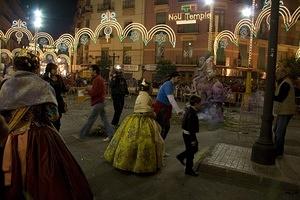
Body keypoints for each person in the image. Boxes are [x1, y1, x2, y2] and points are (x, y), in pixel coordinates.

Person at [0, 49, 93, 199]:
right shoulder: (43, 86)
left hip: (11, 138)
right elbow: (53, 115)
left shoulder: (5, 85)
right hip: (39, 138)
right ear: (35, 67)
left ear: (15, 67)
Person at [104, 79, 164, 173]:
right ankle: (140, 164)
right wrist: (154, 115)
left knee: (129, 140)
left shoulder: (140, 95)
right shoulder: (146, 96)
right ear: (148, 89)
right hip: (143, 120)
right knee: (144, 142)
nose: (152, 89)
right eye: (151, 87)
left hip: (134, 118)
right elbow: (145, 110)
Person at [80, 65, 114, 141]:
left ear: (95, 71)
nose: (90, 72)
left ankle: (82, 134)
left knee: (91, 119)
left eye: (91, 70)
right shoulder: (99, 79)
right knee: (104, 120)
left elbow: (94, 92)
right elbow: (97, 92)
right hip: (100, 102)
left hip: (98, 103)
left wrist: (87, 90)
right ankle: (111, 134)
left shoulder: (97, 80)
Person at [273, 66, 297, 157]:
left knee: (279, 132)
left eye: (278, 73)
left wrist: (270, 96)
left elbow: (280, 98)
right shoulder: (283, 82)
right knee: (276, 130)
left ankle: (278, 152)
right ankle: (277, 149)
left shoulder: (285, 83)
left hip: (285, 111)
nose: (276, 75)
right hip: (283, 111)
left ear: (283, 73)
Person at [176, 95, 202, 176]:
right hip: (189, 135)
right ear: (195, 104)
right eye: (199, 104)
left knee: (193, 149)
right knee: (191, 152)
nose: (200, 105)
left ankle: (181, 156)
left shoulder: (190, 109)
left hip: (187, 134)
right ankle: (189, 170)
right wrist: (193, 139)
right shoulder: (192, 113)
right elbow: (190, 128)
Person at [153, 72, 183, 141]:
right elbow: (171, 99)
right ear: (173, 78)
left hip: (164, 108)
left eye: (180, 78)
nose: (179, 80)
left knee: (164, 127)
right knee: (162, 127)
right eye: (178, 78)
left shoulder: (171, 85)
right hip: (161, 108)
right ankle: (158, 143)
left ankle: (159, 143)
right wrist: (178, 110)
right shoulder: (168, 85)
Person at [42, 63, 68, 131]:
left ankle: (56, 134)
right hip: (49, 101)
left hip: (58, 100)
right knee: (50, 120)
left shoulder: (58, 77)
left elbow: (63, 88)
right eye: (54, 69)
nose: (55, 71)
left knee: (58, 120)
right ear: (49, 69)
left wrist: (67, 90)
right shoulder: (45, 78)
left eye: (56, 69)